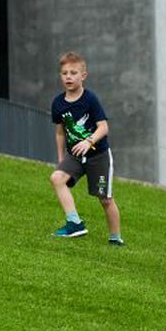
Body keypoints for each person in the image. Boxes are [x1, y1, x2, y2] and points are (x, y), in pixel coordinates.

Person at [48, 52, 123, 245]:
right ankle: (74, 223)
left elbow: (104, 127)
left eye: (73, 72)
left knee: (105, 199)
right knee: (57, 178)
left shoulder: (90, 99)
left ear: (83, 76)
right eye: (64, 73)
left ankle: (115, 238)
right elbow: (60, 132)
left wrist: (89, 141)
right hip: (74, 156)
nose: (68, 77)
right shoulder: (58, 103)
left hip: (97, 155)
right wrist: (61, 159)